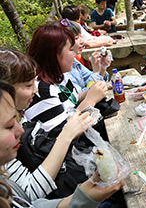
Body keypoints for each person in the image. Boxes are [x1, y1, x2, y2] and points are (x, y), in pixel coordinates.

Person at [0, 81, 123, 207]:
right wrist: (66, 135)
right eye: (9, 126)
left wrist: (84, 196)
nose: (20, 130)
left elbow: (31, 204)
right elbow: (30, 193)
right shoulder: (44, 93)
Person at [0, 49, 94, 201]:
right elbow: (29, 192)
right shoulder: (4, 143)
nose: (35, 90)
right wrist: (66, 135)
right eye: (28, 85)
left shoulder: (21, 115)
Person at [25, 22, 108, 132]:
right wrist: (91, 100)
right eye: (70, 49)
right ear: (55, 54)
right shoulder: (42, 90)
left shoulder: (59, 77)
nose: (74, 54)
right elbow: (62, 135)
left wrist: (92, 91)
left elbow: (74, 100)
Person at [62, 21, 110, 93]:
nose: (82, 41)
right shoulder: (63, 70)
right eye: (76, 38)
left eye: (81, 37)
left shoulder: (74, 61)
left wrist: (102, 67)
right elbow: (79, 96)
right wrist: (96, 72)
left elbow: (90, 80)